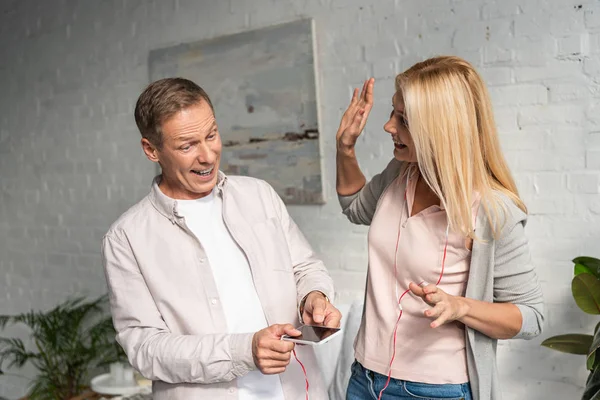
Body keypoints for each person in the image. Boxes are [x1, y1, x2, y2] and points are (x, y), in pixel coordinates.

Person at [102, 77, 342, 400]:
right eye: (187, 146)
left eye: (212, 135)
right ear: (151, 150)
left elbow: (305, 268)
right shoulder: (126, 239)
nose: (208, 156)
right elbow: (145, 348)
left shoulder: (260, 196)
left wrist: (314, 297)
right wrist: (244, 352)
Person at [335, 56, 544, 400]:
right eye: (392, 112)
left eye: (403, 119)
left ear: (439, 128)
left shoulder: (492, 210)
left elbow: (531, 316)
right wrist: (345, 148)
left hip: (435, 389)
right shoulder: (401, 173)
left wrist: (461, 307)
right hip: (364, 378)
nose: (389, 126)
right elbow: (356, 208)